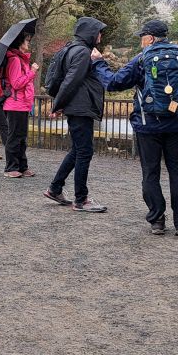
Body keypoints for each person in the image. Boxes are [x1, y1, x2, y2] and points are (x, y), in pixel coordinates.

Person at [92, 19, 178, 236]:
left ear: (151, 38)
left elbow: (114, 83)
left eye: (142, 37)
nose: (141, 41)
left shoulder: (141, 59)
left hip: (147, 125)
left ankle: (157, 221)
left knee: (150, 172)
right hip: (177, 125)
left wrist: (98, 63)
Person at [45, 17, 109, 212]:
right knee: (84, 152)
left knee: (77, 150)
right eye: (98, 32)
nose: (100, 36)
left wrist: (60, 104)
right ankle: (81, 200)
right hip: (81, 108)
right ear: (90, 33)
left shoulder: (71, 49)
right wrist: (57, 105)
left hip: (76, 107)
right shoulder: (82, 52)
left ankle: (55, 188)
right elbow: (71, 81)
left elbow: (67, 80)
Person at [1, 33, 39, 177]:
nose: (28, 43)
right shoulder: (15, 60)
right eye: (26, 41)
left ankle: (22, 167)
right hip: (15, 104)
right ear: (20, 43)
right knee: (14, 137)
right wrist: (32, 72)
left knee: (22, 138)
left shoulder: (22, 60)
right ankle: (10, 167)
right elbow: (16, 83)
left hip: (22, 104)